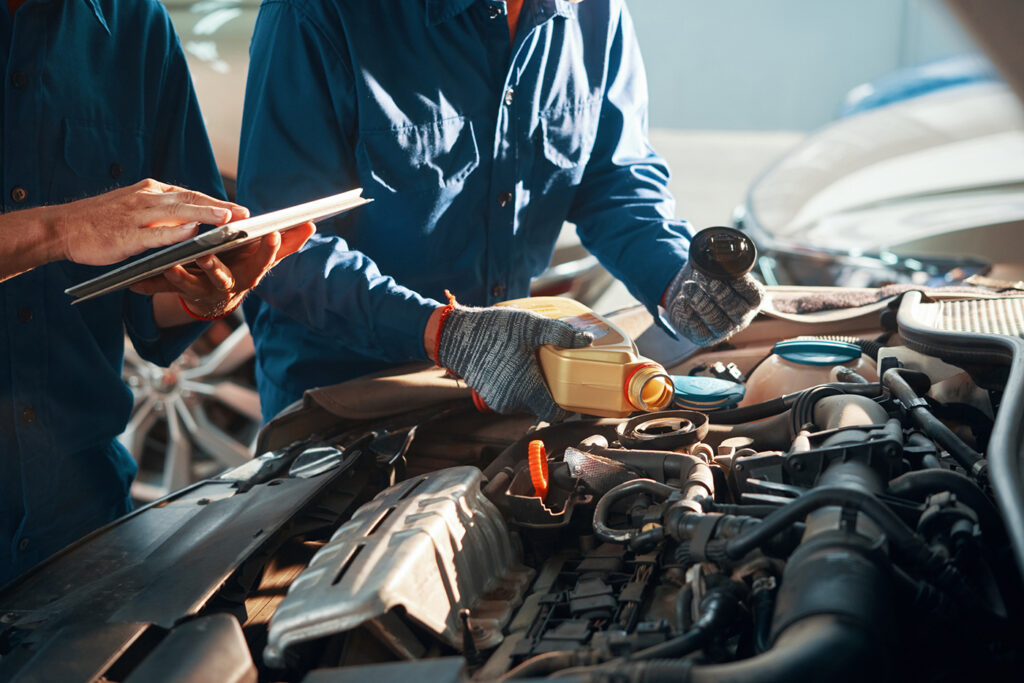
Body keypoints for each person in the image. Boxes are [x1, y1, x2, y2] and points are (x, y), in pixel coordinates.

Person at [237, 0, 763, 424]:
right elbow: (282, 248)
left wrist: (676, 280)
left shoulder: (594, 12)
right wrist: (443, 332)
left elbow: (613, 178)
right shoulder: (315, 13)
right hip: (347, 400)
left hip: (513, 383)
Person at [0, 0, 312, 584]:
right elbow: (76, 231)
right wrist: (60, 229)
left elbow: (155, 300)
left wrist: (213, 287)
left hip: (81, 522)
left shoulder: (136, 27)